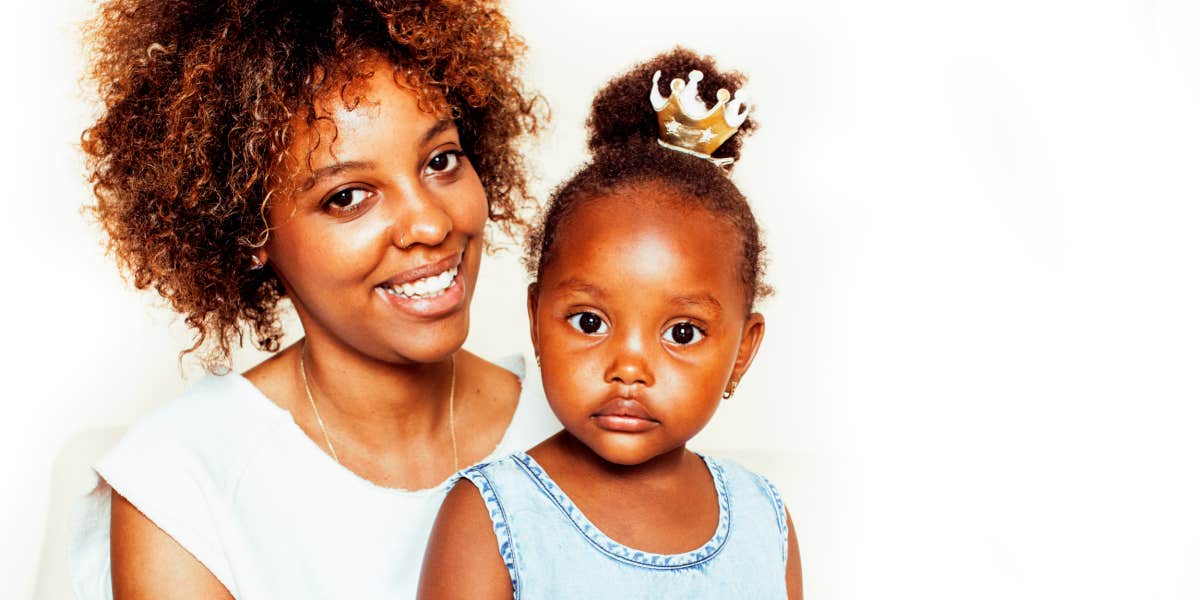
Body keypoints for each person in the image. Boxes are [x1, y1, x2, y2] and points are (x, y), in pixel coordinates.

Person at [67, 1, 557, 598]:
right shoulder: (182, 484)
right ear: (249, 232)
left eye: (441, 161)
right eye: (349, 196)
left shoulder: (587, 421)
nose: (429, 224)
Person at [417, 48, 804, 598]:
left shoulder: (764, 520)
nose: (627, 368)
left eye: (682, 333)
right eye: (590, 321)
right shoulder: (492, 516)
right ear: (535, 320)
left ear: (742, 351)